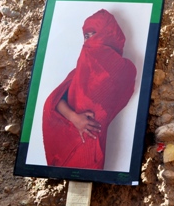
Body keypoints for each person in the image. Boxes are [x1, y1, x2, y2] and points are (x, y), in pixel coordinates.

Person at [42, 9, 136, 170]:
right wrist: (74, 118)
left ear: (108, 35)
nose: (90, 40)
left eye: (95, 34)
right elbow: (54, 101)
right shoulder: (77, 72)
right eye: (87, 36)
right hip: (70, 142)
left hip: (92, 146)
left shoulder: (125, 69)